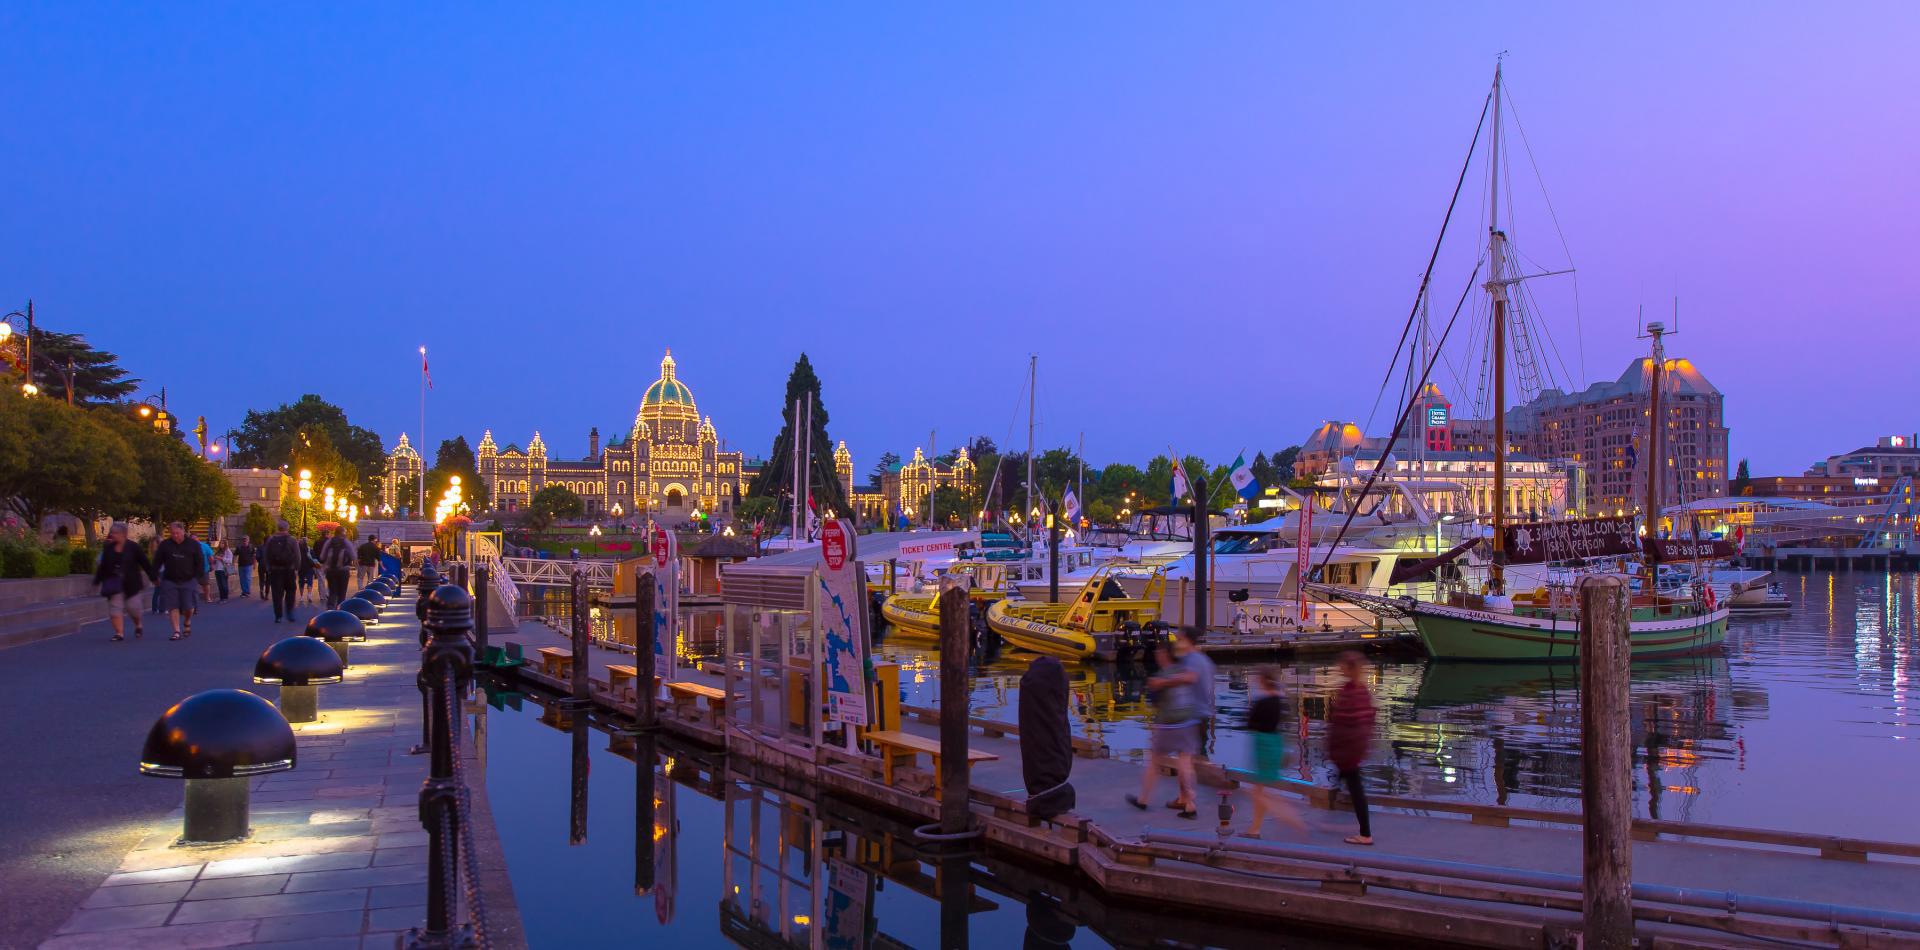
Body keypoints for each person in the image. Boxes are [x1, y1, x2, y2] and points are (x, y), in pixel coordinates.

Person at [1126, 637, 1200, 819]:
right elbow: (1192, 678)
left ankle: (1143, 800)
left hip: (1168, 725)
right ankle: (1189, 803)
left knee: (1154, 762)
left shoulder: (1161, 676)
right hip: (1188, 722)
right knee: (1185, 763)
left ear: (1165, 654)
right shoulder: (1185, 670)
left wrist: (1161, 683)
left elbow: (1154, 700)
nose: (1157, 655)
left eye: (1159, 652)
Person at [1243, 666, 1307, 839]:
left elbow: (1249, 723)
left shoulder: (1262, 702)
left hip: (1263, 744)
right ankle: (1254, 829)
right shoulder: (1282, 702)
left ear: (1263, 681)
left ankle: (1294, 820)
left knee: (1259, 792)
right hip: (1275, 742)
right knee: (1261, 788)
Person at [1327, 651, 1377, 846]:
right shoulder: (1361, 690)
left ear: (1349, 668)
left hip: (1347, 750)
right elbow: (1366, 721)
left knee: (1356, 790)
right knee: (1353, 786)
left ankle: (1365, 834)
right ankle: (1334, 801)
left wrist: (1334, 747)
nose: (1339, 668)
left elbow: (1342, 723)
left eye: (1342, 665)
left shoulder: (1350, 692)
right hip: (1354, 749)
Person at [93, 522, 154, 642]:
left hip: (131, 583)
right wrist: (97, 580)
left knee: (133, 608)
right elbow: (103, 566)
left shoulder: (134, 547)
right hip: (113, 583)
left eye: (115, 533)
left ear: (123, 534)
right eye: (112, 532)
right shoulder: (109, 548)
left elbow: (145, 563)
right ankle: (119, 633)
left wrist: (154, 577)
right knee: (115, 608)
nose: (112, 535)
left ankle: (138, 624)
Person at [153, 521, 207, 640]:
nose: (175, 535)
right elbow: (157, 561)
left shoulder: (193, 545)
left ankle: (187, 621)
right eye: (172, 533)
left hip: (188, 579)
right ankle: (176, 631)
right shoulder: (165, 545)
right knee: (173, 606)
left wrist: (197, 577)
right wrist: (154, 575)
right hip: (170, 580)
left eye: (177, 533)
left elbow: (200, 562)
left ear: (183, 531)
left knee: (189, 607)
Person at [262, 520, 301, 623]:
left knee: (277, 594)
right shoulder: (292, 540)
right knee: (291, 592)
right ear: (287, 528)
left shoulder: (271, 540)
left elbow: (266, 555)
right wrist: (296, 568)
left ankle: (278, 616)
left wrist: (268, 568)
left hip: (275, 571)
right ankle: (290, 613)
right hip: (289, 570)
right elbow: (297, 556)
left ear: (277, 528)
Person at [319, 526, 355, 608]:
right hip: (343, 571)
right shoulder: (346, 542)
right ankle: (340, 610)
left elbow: (322, 557)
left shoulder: (329, 542)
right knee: (342, 593)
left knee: (332, 591)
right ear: (343, 533)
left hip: (331, 570)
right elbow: (353, 556)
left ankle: (330, 609)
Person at [196, 531, 216, 605]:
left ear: (198, 539)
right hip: (192, 570)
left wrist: (212, 565)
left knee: (206, 584)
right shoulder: (187, 546)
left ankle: (207, 597)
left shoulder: (204, 546)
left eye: (195, 539)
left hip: (204, 569)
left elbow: (210, 557)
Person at [297, 536, 319, 605]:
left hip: (301, 568)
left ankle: (301, 597)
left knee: (301, 582)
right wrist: (317, 566)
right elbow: (314, 559)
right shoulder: (310, 550)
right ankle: (309, 595)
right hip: (309, 567)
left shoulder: (298, 550)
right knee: (310, 581)